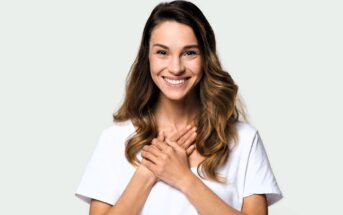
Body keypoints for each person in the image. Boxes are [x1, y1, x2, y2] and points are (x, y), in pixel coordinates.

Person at [75, 1, 283, 214]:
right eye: (162, 52)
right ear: (147, 57)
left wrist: (184, 178)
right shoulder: (114, 140)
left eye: (189, 53)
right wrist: (146, 174)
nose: (176, 68)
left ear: (206, 58)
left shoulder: (243, 140)